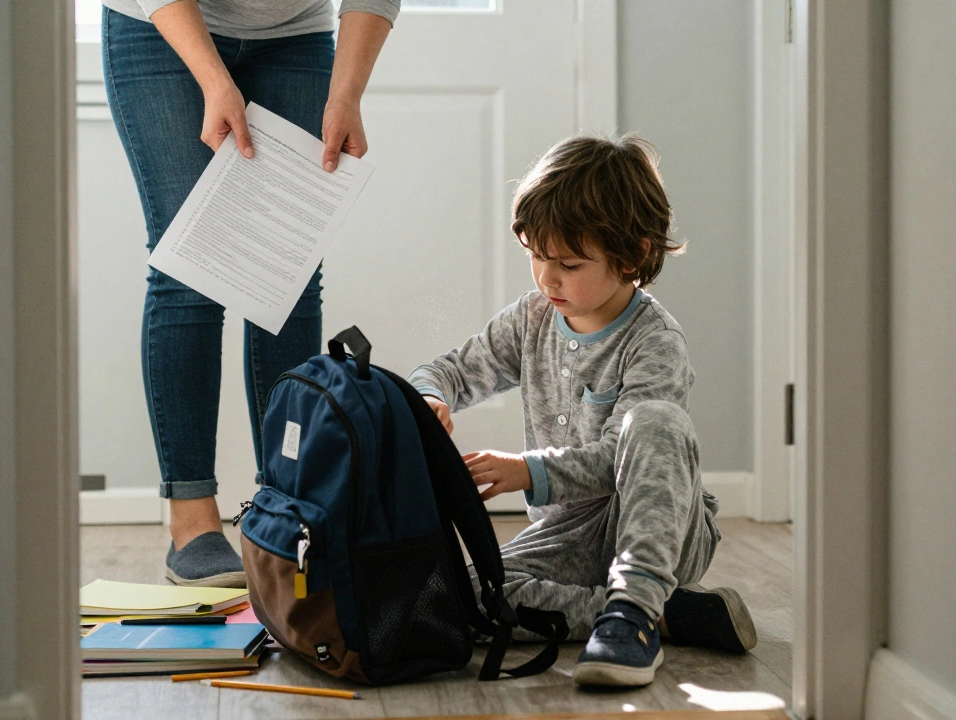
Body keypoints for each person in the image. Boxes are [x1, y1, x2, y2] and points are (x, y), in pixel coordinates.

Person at [407, 135, 758, 687]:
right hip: (564, 538)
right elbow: (447, 369)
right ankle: (658, 615)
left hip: (657, 530)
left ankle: (635, 609)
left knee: (656, 421)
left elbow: (620, 456)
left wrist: (526, 471)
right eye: (536, 256)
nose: (547, 278)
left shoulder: (655, 341)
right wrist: (430, 397)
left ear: (632, 255)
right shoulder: (531, 319)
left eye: (568, 264)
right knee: (458, 597)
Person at [101, 0, 398, 587]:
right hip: (160, 27)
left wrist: (347, 94)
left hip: (295, 34)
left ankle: (285, 507)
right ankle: (192, 523)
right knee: (189, 273)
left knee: (287, 275)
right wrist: (214, 81)